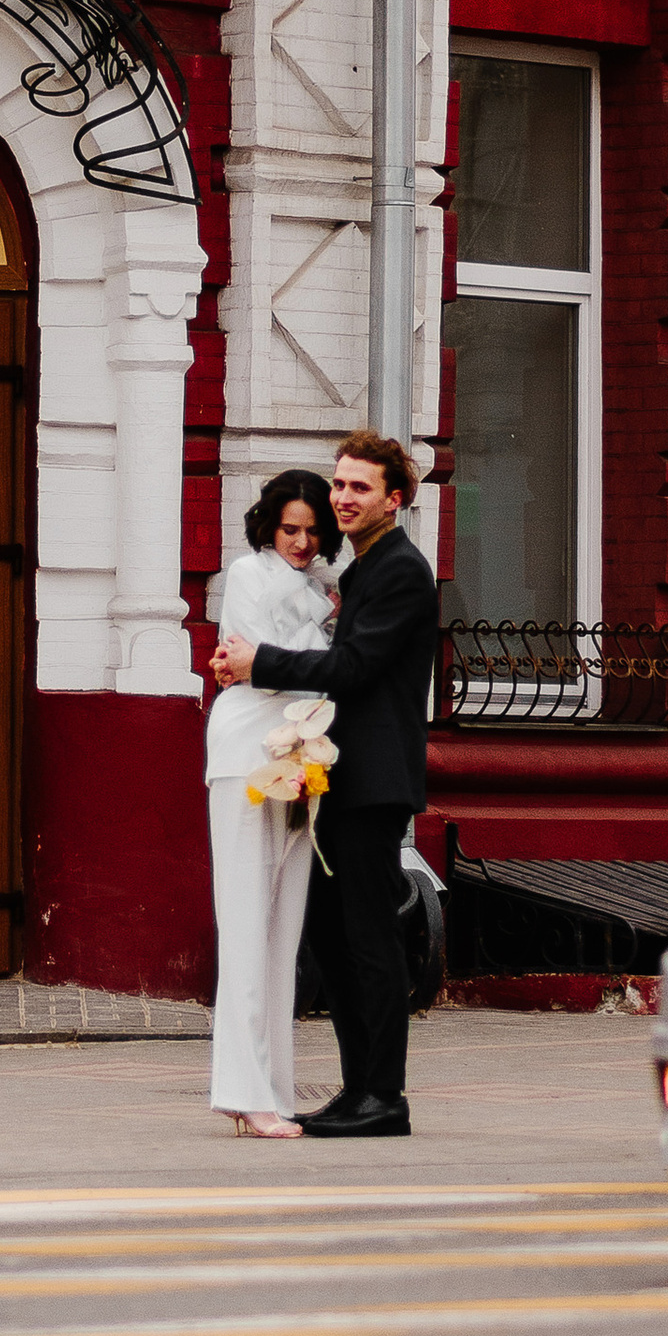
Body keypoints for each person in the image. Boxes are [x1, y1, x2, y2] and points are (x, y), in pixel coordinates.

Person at [210, 429, 436, 1138]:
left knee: (368, 939)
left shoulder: (399, 569)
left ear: (394, 499)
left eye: (359, 487)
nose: (343, 497)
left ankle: (383, 1097)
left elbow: (356, 670)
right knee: (337, 941)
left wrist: (260, 664)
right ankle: (357, 1089)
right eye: (339, 483)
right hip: (335, 776)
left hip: (373, 780)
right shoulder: (361, 570)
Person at [204, 471, 341, 1138]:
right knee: (246, 926)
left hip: (301, 757)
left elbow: (290, 662)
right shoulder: (247, 573)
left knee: (282, 932)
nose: (303, 541)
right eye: (291, 529)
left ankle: (273, 1090)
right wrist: (298, 653)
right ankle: (241, 1089)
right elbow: (259, 661)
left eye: (314, 531)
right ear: (268, 525)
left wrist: (289, 654)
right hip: (242, 757)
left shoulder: (319, 591)